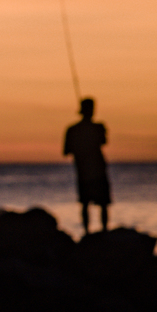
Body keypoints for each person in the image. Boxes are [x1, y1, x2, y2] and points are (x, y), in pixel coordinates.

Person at [63, 96, 111, 234]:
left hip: (88, 171)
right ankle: (98, 232)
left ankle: (92, 232)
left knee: (91, 203)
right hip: (91, 171)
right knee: (97, 203)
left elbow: (66, 151)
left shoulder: (74, 129)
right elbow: (103, 141)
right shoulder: (94, 128)